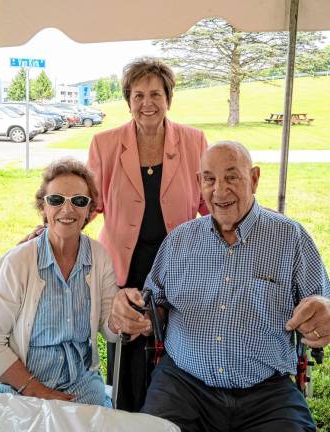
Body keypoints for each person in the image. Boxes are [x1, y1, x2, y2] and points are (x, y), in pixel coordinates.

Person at [141, 141, 330, 431]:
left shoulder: (290, 238)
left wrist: (324, 313)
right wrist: (137, 315)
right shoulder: (179, 240)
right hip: (183, 384)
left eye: (232, 177)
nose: (219, 190)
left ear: (254, 179)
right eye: (210, 179)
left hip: (266, 392)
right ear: (198, 183)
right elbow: (153, 304)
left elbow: (322, 302)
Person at [87, 57, 209, 411]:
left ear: (168, 98)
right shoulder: (105, 144)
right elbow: (90, 204)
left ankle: (166, 412)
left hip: (178, 262)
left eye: (155, 94)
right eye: (138, 95)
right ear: (128, 101)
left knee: (173, 344)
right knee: (125, 342)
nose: (147, 103)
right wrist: (49, 227)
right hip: (124, 264)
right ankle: (125, 412)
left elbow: (207, 201)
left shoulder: (194, 140)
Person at [0, 159, 150, 406]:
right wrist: (37, 390)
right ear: (43, 207)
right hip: (20, 385)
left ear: (89, 210)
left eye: (79, 201)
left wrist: (123, 318)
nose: (67, 209)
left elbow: (109, 328)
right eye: (56, 200)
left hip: (80, 385)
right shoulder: (17, 263)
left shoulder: (99, 256)